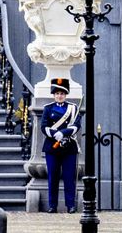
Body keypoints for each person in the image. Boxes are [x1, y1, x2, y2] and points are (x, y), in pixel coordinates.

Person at [41, 77, 82, 214]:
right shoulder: (47, 108)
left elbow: (77, 126)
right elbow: (43, 127)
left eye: (62, 94)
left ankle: (70, 205)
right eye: (57, 94)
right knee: (53, 176)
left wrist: (63, 133)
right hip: (52, 147)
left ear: (66, 95)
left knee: (69, 177)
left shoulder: (73, 108)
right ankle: (52, 205)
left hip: (68, 147)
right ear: (54, 95)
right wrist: (54, 134)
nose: (60, 96)